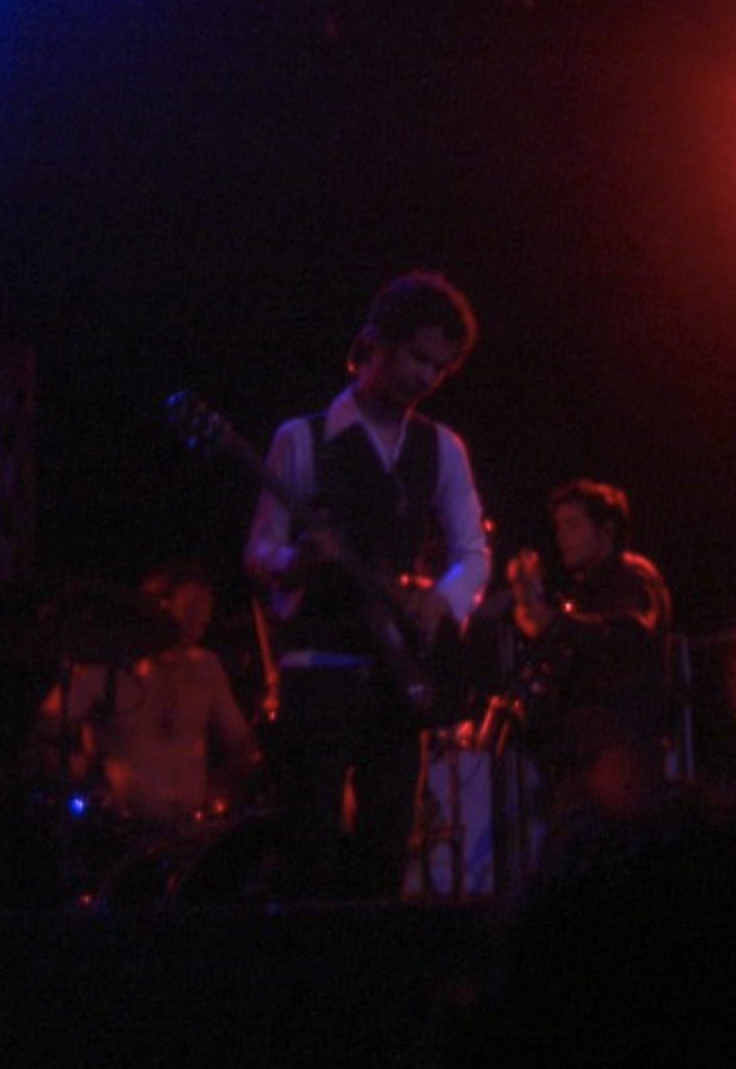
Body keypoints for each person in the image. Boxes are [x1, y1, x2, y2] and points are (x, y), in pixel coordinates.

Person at [245, 270, 489, 900]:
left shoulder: (442, 448)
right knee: (309, 851)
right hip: (318, 668)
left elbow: (472, 553)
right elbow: (261, 550)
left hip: (397, 678)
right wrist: (298, 561)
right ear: (377, 342)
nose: (425, 377)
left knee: (385, 853)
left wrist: (439, 600)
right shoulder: (302, 439)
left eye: (438, 368)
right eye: (416, 357)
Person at [507, 478, 671, 859]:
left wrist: (552, 622)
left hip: (619, 757)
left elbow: (631, 631)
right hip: (587, 759)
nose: (562, 536)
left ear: (606, 530)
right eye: (558, 527)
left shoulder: (631, 576)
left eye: (573, 524)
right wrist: (528, 599)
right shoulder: (584, 592)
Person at [30, 563, 255, 825]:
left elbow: (239, 743)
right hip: (122, 830)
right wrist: (79, 778)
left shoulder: (207, 667)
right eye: (192, 605)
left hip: (191, 830)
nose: (201, 617)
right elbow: (48, 728)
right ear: (158, 605)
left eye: (205, 610)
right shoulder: (106, 667)